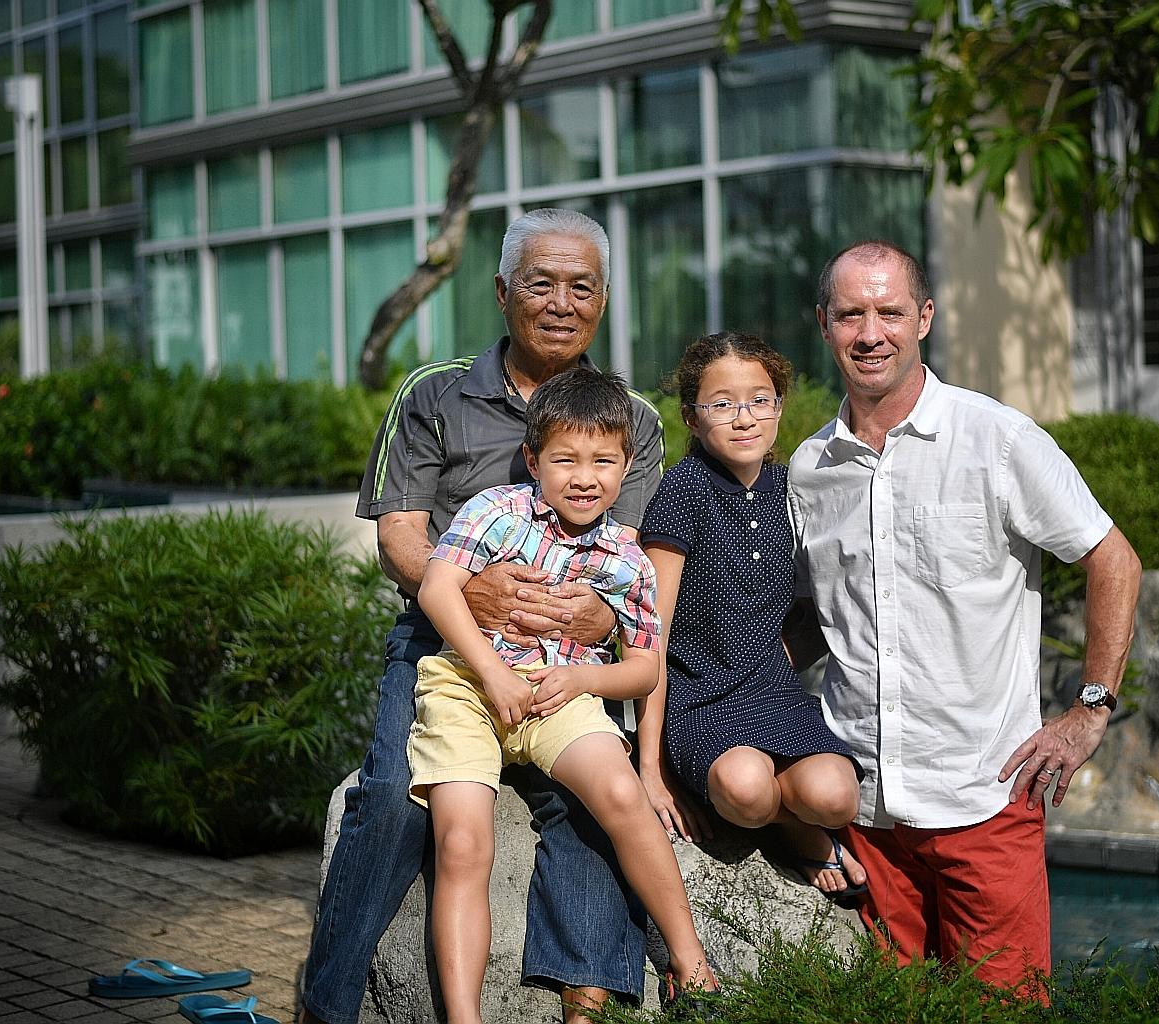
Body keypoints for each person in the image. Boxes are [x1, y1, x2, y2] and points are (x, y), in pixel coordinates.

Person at [300, 209, 665, 1024]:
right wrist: (469, 591)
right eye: (541, 283)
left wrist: (594, 616)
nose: (561, 303)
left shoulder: (632, 415)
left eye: (582, 287)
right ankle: (324, 1008)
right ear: (503, 292)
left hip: (564, 659)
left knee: (594, 794)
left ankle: (587, 991)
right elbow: (400, 537)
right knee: (393, 796)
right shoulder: (434, 392)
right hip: (444, 649)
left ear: (603, 302)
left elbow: (624, 563)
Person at [786, 241, 1143, 995]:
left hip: (985, 802)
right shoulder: (809, 469)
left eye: (889, 311)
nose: (870, 331)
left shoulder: (998, 440)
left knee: (1003, 1013)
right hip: (864, 813)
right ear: (824, 324)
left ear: (925, 318)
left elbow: (1114, 561)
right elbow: (824, 615)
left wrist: (1090, 710)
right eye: (851, 313)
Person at [412, 368, 718, 1024]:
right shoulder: (497, 511)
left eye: (604, 460)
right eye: (565, 459)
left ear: (626, 464)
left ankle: (691, 966)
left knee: (618, 794)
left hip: (561, 692)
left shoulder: (625, 559)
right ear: (533, 459)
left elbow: (643, 668)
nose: (585, 477)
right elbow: (438, 588)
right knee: (464, 841)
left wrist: (583, 679)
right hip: (469, 688)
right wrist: (492, 673)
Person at [636, 332, 866, 900]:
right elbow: (649, 634)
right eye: (722, 404)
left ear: (779, 407)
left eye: (760, 399)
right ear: (692, 417)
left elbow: (823, 600)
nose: (744, 418)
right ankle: (794, 832)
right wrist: (650, 766)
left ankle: (793, 818)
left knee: (837, 796)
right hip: (700, 696)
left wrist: (779, 656)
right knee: (745, 788)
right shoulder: (683, 491)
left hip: (771, 689)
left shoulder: (788, 488)